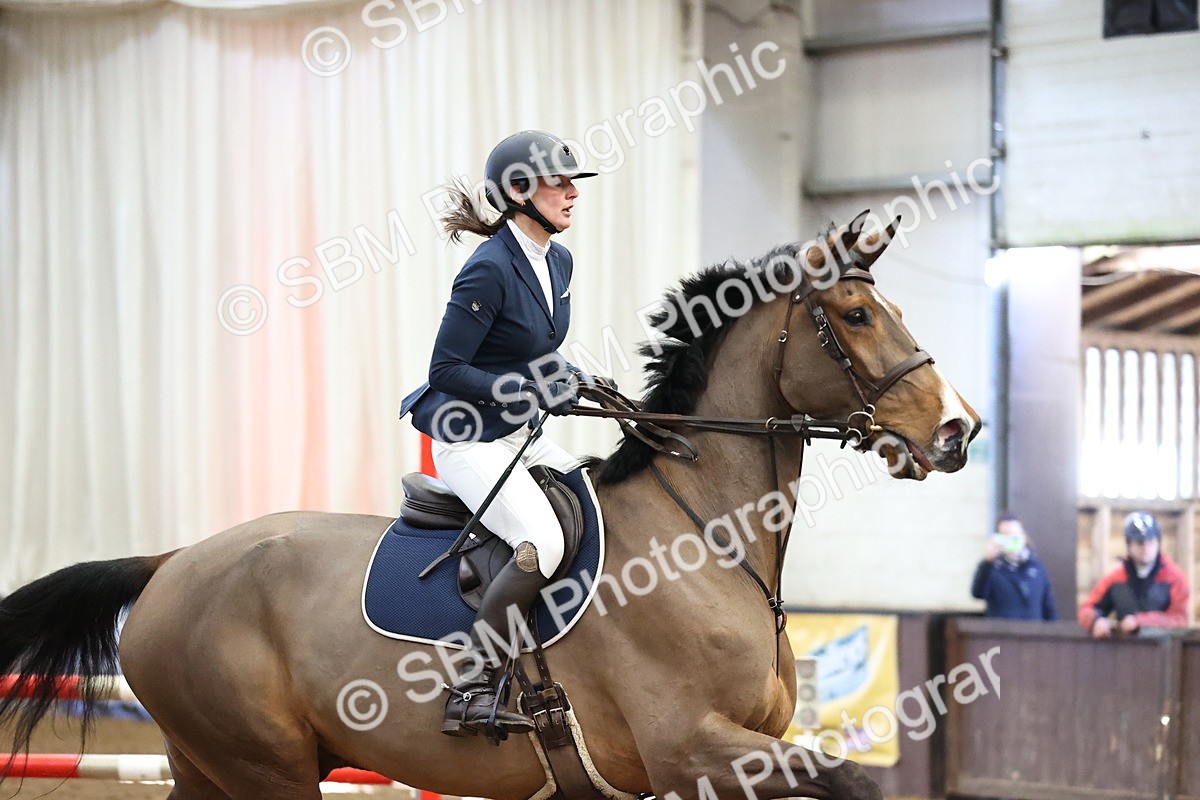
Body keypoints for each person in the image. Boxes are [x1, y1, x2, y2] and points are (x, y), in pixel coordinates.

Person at [398, 130, 607, 739]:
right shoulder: (487, 270)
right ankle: (473, 685)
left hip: (521, 433)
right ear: (519, 192)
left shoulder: (558, 260)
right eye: (559, 183)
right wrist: (528, 389)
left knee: (594, 500)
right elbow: (446, 371)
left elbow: (531, 351)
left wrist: (572, 378)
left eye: (573, 183)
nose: (572, 194)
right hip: (470, 441)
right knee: (540, 540)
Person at [1078, 511, 1192, 638]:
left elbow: (1180, 619)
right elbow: (1087, 609)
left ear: (1158, 543)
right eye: (1139, 543)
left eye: (1150, 541)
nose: (1145, 548)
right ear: (1129, 544)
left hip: (1164, 652)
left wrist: (1141, 621)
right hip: (1126, 652)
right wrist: (1095, 621)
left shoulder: (1175, 578)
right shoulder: (1116, 578)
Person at [970, 514, 1057, 620]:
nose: (1010, 540)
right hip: (1002, 633)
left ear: (1023, 537)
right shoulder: (992, 569)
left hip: (1033, 633)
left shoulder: (1036, 568)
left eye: (1014, 535)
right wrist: (988, 561)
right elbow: (978, 593)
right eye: (1005, 535)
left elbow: (1048, 606)